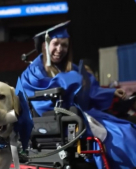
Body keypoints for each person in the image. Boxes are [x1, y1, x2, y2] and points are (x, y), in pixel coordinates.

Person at [15, 21, 136, 169]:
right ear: (45, 45)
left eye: (64, 45)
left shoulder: (70, 67)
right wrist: (70, 79)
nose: (60, 49)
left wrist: (111, 92)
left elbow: (90, 91)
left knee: (127, 127)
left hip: (81, 115)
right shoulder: (34, 71)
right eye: (56, 43)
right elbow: (40, 98)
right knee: (120, 136)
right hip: (58, 120)